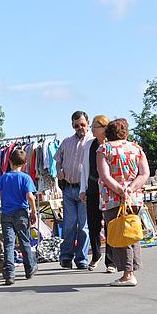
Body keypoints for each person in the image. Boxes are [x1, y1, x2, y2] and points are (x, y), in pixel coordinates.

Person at [97, 118, 150, 286]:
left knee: (120, 234)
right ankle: (132, 269)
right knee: (132, 232)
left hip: (113, 198)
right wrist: (131, 189)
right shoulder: (136, 148)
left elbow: (105, 176)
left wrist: (120, 191)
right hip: (134, 197)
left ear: (108, 133)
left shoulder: (104, 149)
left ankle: (128, 274)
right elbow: (144, 173)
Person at [0, 148, 38, 285]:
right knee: (24, 241)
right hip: (21, 213)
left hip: (6, 214)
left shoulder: (4, 177)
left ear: (10, 161)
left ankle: (9, 275)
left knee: (9, 243)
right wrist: (34, 212)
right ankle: (29, 269)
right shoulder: (26, 178)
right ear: (24, 164)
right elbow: (30, 196)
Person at [54, 110, 93, 270]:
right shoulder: (66, 141)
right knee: (69, 225)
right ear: (72, 125)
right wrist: (59, 172)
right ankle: (66, 257)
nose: (80, 128)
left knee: (83, 226)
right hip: (68, 188)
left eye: (82, 124)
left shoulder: (92, 141)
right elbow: (57, 160)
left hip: (84, 189)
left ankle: (81, 258)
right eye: (76, 125)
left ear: (88, 124)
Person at [79, 114, 115, 272]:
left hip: (109, 188)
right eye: (92, 126)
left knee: (109, 224)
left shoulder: (112, 144)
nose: (92, 129)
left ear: (104, 128)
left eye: (95, 126)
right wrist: (82, 188)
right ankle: (96, 254)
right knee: (93, 224)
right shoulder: (89, 144)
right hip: (92, 186)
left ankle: (111, 261)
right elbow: (84, 168)